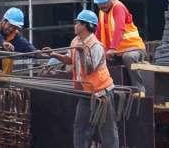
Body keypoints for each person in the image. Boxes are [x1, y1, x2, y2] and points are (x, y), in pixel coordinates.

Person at [44, 10, 119, 148]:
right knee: (80, 127)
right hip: (85, 93)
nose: (75, 25)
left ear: (85, 26)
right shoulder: (76, 41)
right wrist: (53, 54)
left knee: (107, 129)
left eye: (77, 23)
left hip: (102, 93)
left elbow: (90, 69)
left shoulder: (95, 46)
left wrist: (82, 53)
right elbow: (69, 60)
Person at [94, 0, 146, 97]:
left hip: (134, 49)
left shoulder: (118, 7)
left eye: (103, 3)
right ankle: (106, 92)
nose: (101, 6)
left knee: (129, 57)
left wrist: (112, 48)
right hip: (116, 53)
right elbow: (98, 33)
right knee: (99, 61)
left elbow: (119, 28)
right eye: (99, 4)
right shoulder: (102, 12)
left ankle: (140, 90)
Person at [0, 7, 36, 73]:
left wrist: (39, 53)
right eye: (10, 25)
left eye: (15, 27)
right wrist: (3, 42)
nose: (11, 29)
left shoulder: (14, 35)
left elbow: (27, 47)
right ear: (4, 21)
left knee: (9, 56)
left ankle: (4, 80)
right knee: (6, 54)